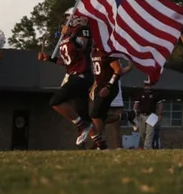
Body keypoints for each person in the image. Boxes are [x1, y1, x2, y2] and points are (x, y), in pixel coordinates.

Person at [37, 8, 95, 145]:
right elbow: (67, 61)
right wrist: (49, 59)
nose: (66, 20)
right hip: (74, 74)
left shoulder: (82, 30)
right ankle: (100, 143)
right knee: (84, 115)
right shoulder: (66, 37)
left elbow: (82, 45)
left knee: (56, 101)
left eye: (68, 17)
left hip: (82, 75)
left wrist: (71, 35)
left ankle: (81, 125)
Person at [88, 45, 124, 150]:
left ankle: (98, 143)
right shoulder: (94, 52)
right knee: (99, 116)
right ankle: (126, 116)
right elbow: (97, 74)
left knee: (94, 114)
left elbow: (118, 70)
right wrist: (93, 87)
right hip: (99, 86)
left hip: (110, 86)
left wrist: (109, 86)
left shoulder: (109, 51)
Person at [133, 79, 163, 149]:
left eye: (149, 85)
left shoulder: (156, 94)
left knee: (149, 133)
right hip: (141, 115)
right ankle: (145, 146)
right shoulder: (139, 93)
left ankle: (147, 148)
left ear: (151, 86)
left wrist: (160, 114)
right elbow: (136, 104)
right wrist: (134, 113)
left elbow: (160, 104)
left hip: (152, 115)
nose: (147, 87)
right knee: (142, 133)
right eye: (146, 85)